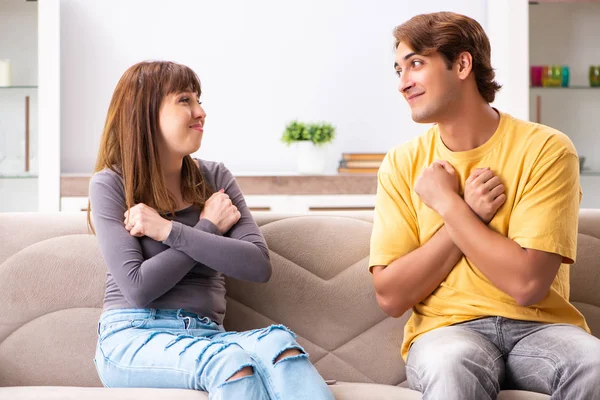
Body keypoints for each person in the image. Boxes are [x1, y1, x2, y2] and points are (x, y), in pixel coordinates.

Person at [369, 12, 600, 400]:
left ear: (461, 64)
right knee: (450, 367)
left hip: (542, 328)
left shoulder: (546, 149)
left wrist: (448, 204)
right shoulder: (402, 163)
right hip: (446, 332)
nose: (403, 82)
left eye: (416, 63)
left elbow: (526, 284)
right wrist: (470, 213)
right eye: (398, 69)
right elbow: (391, 296)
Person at [88, 61, 334, 400]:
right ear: (144, 113)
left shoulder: (215, 177)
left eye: (198, 100)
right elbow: (139, 287)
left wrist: (167, 230)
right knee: (230, 363)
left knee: (280, 346)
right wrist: (207, 227)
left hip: (207, 335)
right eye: (184, 100)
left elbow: (257, 265)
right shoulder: (111, 184)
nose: (200, 111)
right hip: (133, 337)